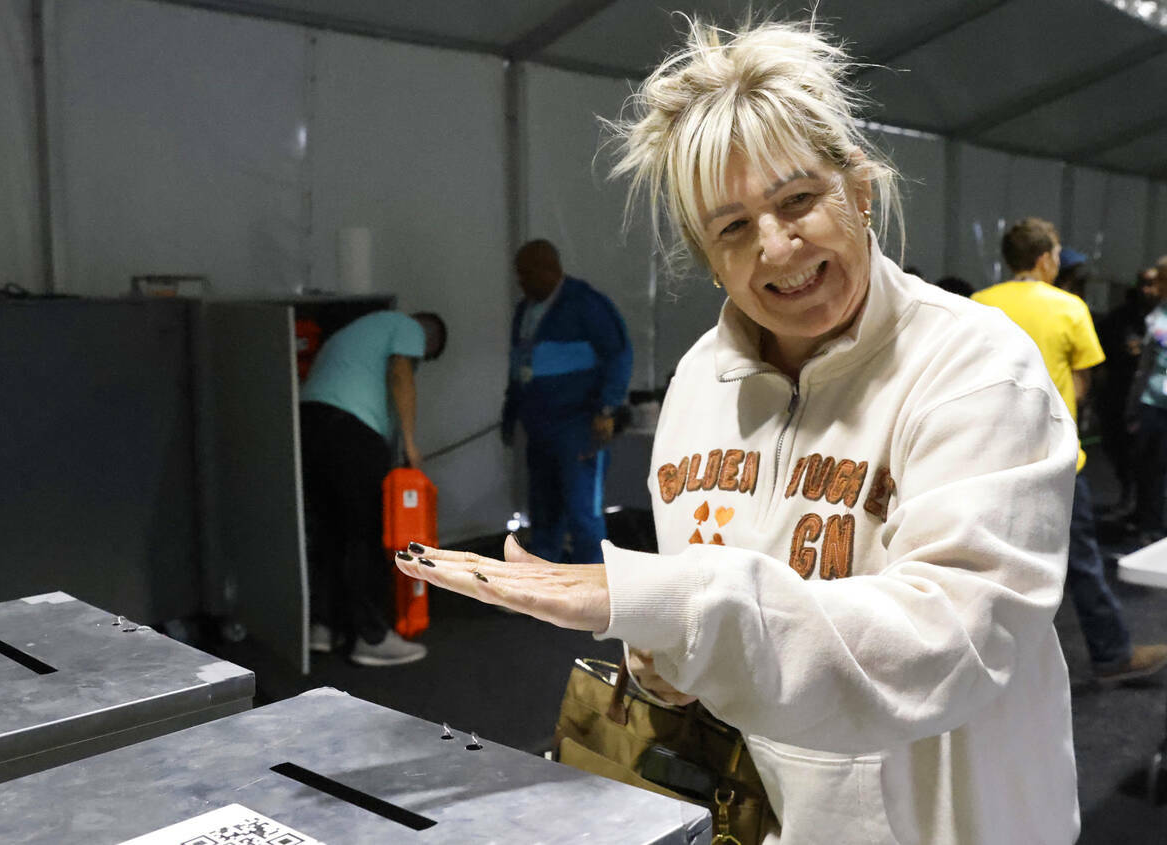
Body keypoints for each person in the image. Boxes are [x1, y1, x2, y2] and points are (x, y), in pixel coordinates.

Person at [402, 18, 1085, 843]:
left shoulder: (976, 368)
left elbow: (956, 639)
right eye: (732, 228)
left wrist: (671, 604)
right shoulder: (701, 382)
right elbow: (709, 613)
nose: (776, 245)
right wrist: (664, 657)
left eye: (798, 200)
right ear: (708, 256)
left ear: (858, 190)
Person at [972, 220, 1167, 683]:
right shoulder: (1069, 306)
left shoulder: (979, 304)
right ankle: (1112, 653)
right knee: (1080, 560)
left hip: (991, 458)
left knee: (989, 562)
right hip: (1055, 456)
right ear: (1045, 259)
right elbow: (1081, 385)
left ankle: (981, 661)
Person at [300, 309, 447, 666]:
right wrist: (410, 444)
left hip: (309, 424)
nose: (417, 363)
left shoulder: (360, 330)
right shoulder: (409, 328)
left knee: (327, 532)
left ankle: (323, 626)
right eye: (423, 358)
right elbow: (400, 374)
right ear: (427, 340)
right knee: (364, 533)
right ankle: (372, 637)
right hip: (353, 433)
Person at [501, 239, 633, 564]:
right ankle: (547, 587)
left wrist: (607, 408)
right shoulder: (525, 310)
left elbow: (619, 355)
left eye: (526, 275)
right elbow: (518, 367)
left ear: (550, 270)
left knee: (582, 512)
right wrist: (510, 415)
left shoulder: (585, 304)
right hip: (539, 429)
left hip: (579, 427)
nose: (521, 283)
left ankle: (594, 586)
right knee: (544, 511)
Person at [1099, 265, 1161, 520]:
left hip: (1155, 400)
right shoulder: (1119, 318)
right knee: (1117, 448)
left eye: (1153, 284)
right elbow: (1101, 354)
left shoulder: (1162, 317)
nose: (1148, 290)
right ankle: (1129, 496)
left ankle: (1149, 512)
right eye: (1143, 284)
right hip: (1121, 394)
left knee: (1151, 460)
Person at [1128, 256, 1167, 546]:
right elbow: (1145, 367)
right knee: (1149, 465)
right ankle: (1149, 524)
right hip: (1153, 401)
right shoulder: (1157, 316)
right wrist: (1133, 406)